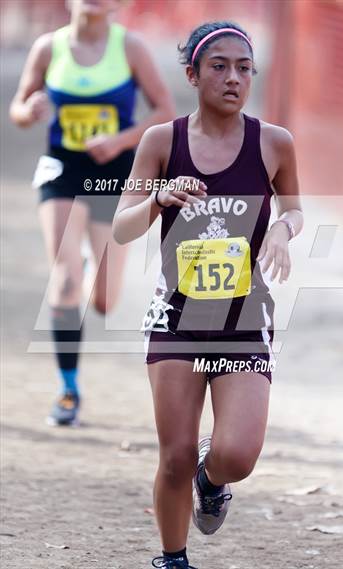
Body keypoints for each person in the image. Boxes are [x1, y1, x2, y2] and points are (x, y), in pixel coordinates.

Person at [113, 21, 303, 569]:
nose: (233, 78)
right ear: (192, 75)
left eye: (244, 68)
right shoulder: (161, 142)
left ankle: (212, 478)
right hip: (176, 317)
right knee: (172, 456)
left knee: (237, 454)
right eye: (218, 66)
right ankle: (173, 560)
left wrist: (281, 231)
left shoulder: (274, 142)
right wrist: (157, 199)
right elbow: (123, 228)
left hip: (244, 318)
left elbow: (294, 208)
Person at [9, 0, 175, 426]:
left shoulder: (130, 48)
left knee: (104, 299)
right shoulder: (49, 48)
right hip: (62, 169)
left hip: (114, 173)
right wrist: (30, 111)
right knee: (63, 281)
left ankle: (89, 264)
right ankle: (68, 390)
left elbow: (164, 112)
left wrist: (120, 142)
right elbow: (19, 108)